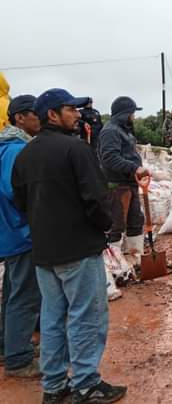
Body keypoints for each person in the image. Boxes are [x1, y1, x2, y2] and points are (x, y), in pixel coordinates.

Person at [11, 88, 126, 403]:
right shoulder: (75, 150)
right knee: (86, 315)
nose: (77, 114)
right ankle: (86, 383)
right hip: (78, 249)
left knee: (52, 318)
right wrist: (106, 227)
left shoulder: (24, 156)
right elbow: (97, 199)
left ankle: (54, 386)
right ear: (52, 114)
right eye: (70, 109)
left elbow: (21, 203)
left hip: (44, 253)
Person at [0, 95, 41, 378]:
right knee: (25, 295)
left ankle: (8, 345)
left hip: (10, 232)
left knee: (13, 292)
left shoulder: (6, 147)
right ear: (20, 118)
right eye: (35, 114)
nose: (40, 119)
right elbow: (13, 191)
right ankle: (18, 358)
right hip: (21, 232)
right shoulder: (16, 150)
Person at [97, 96, 150, 268]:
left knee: (136, 221)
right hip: (116, 186)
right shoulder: (110, 131)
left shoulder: (123, 130)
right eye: (132, 114)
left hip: (129, 184)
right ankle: (115, 267)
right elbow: (109, 158)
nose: (133, 117)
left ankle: (137, 261)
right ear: (125, 113)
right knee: (116, 225)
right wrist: (134, 168)